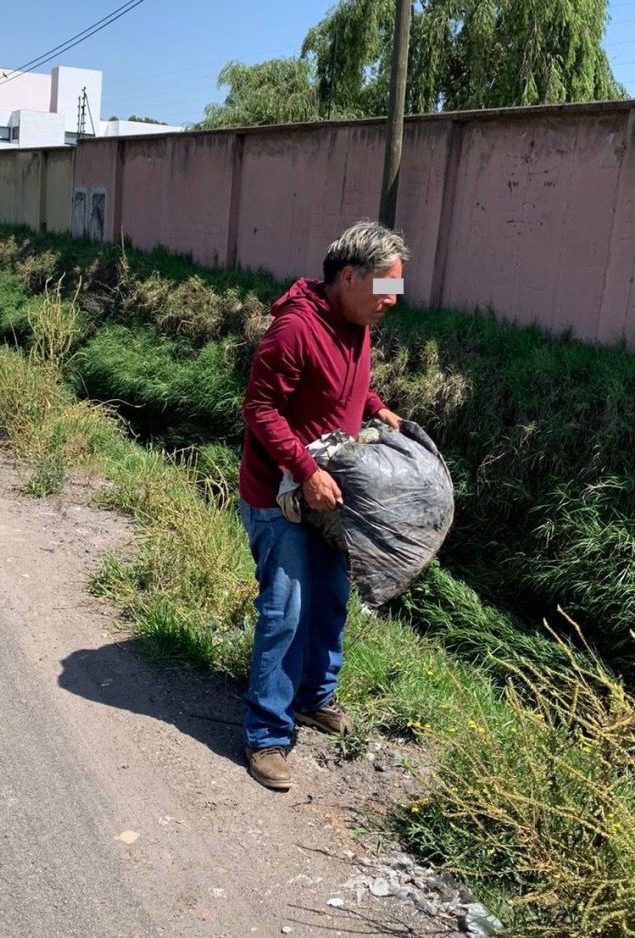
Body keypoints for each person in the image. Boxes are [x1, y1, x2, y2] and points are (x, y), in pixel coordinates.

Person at [238, 220, 410, 790]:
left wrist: (377, 407)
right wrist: (307, 469)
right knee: (285, 608)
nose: (392, 301)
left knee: (332, 597)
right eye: (385, 288)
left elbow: (346, 383)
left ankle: (313, 697)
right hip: (280, 496)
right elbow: (260, 410)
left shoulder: (355, 320)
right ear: (346, 277)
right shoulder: (294, 330)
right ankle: (266, 735)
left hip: (326, 499)